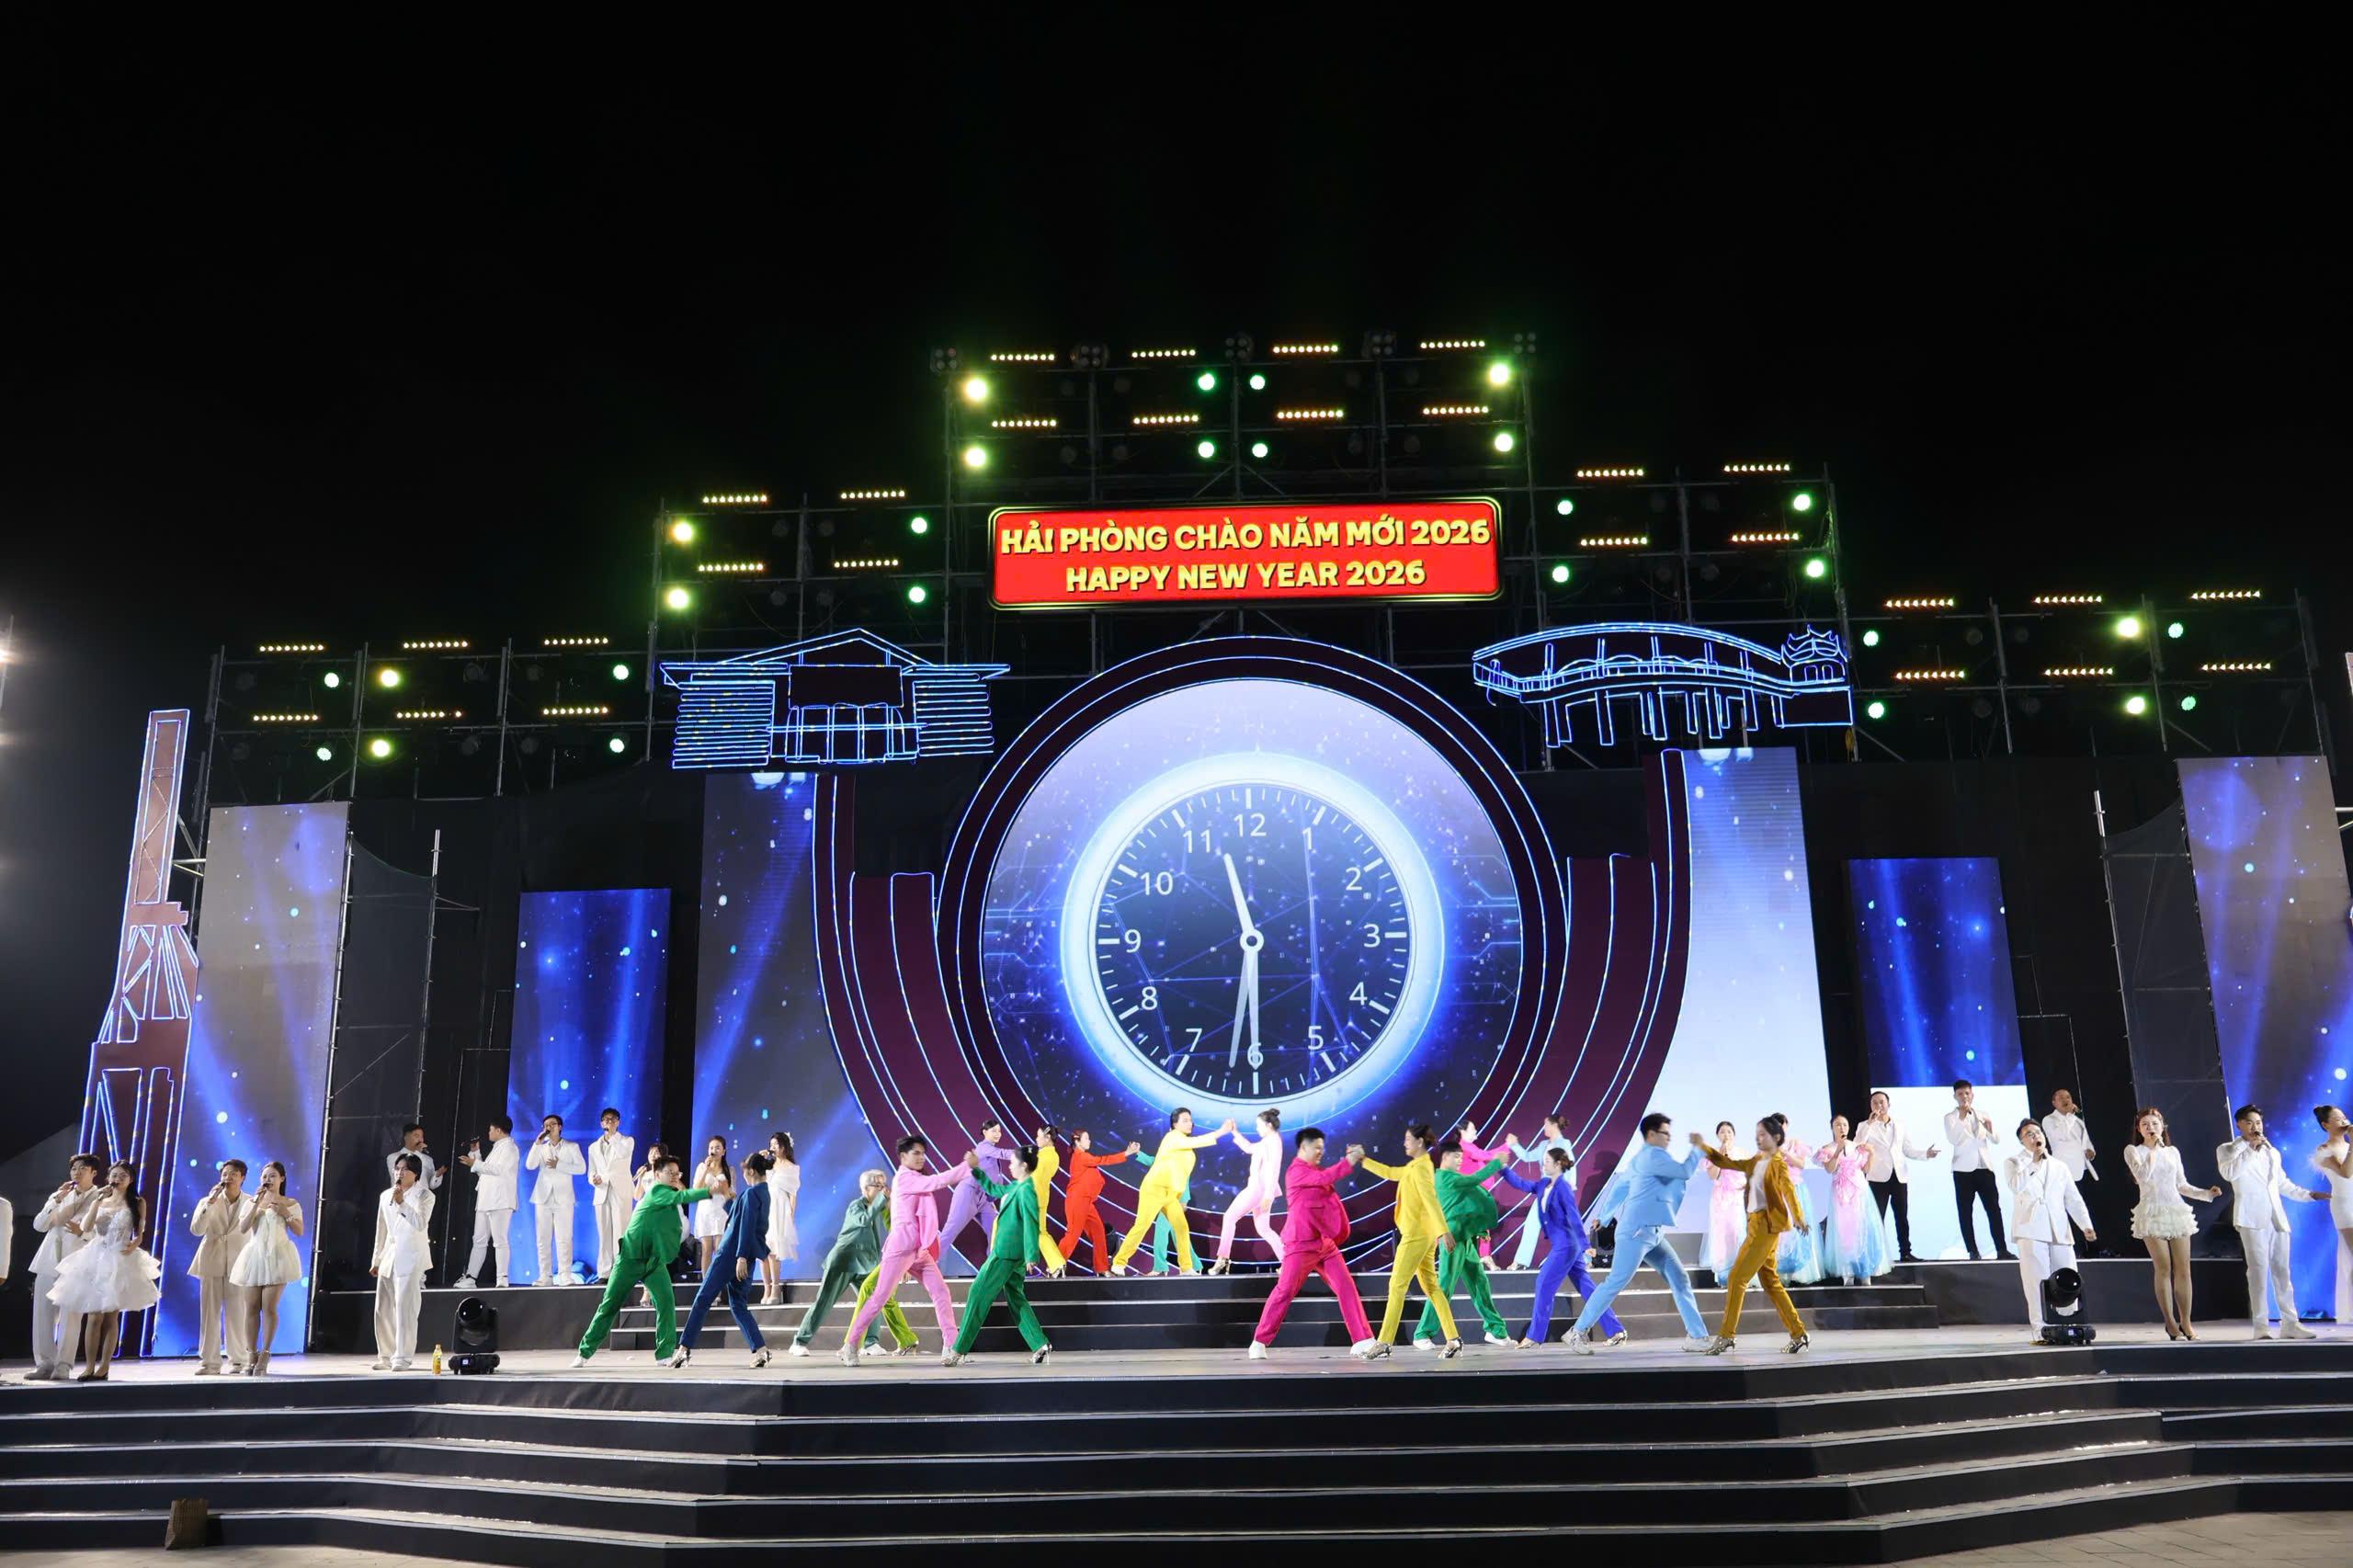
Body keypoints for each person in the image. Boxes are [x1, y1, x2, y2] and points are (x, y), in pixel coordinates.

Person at [1567, 1113, 1711, 1355]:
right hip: (1636, 1232)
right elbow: (1684, 1171)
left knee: (1679, 1279)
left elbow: (1621, 1187)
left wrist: (1604, 1217)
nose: (1669, 1138)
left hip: (1653, 1233)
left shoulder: (1638, 1160)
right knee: (1616, 1281)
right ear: (1651, 1134)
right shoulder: (1652, 1156)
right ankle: (1577, 1331)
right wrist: (1697, 1148)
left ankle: (1697, 1336)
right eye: (1665, 1133)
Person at [574, 1154, 727, 1367]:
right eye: (670, 1172)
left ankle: (664, 1354)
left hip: (654, 1261)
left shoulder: (671, 1199)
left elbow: (676, 1224)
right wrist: (708, 1191)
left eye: (677, 1173)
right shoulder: (657, 1191)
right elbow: (682, 1196)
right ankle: (584, 1352)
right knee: (610, 1305)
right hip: (630, 1258)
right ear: (657, 1175)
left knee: (666, 1304)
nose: (674, 1176)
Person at [839, 1135, 973, 1364]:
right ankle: (850, 1345)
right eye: (916, 1153)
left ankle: (951, 1346)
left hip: (919, 1251)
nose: (921, 1157)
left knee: (941, 1292)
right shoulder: (904, 1178)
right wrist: (966, 1166)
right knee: (879, 1297)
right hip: (901, 1248)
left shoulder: (916, 1178)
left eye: (923, 1153)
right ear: (903, 1157)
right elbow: (938, 1181)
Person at [1249, 1126, 1374, 1358]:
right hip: (1300, 1244)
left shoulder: (1315, 1170)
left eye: (1322, 1148)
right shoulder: (1296, 1172)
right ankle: (1259, 1341)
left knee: (1346, 1287)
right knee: (1285, 1291)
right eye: (1316, 1147)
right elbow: (1326, 1177)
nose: (1320, 1152)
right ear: (1303, 1147)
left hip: (1324, 1243)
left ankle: (1363, 1339)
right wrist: (1349, 1161)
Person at [1699, 1114, 1812, 1356]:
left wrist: (1799, 1217)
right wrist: (1705, 1147)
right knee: (1771, 1282)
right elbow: (1729, 1164)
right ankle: (1799, 1333)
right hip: (1755, 1224)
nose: (1758, 1139)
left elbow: (1788, 1191)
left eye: (1763, 1135)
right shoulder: (1756, 1160)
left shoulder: (1778, 1163)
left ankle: (1727, 1335)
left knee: (1736, 1278)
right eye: (1757, 1134)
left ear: (1776, 1137)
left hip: (1766, 1227)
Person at [46, 1162, 161, 1381]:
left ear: (131, 1180)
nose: (117, 1179)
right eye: (114, 1175)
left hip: (120, 1258)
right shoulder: (100, 1200)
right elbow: (86, 1227)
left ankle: (104, 1367)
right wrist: (97, 1202)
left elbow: (140, 1233)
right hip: (96, 1257)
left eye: (123, 1176)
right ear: (108, 1178)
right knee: (93, 1317)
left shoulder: (138, 1202)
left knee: (110, 1317)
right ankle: (89, 1366)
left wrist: (136, 1243)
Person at [1356, 1122, 1462, 1358]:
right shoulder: (1416, 1166)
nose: (1404, 1143)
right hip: (1423, 1234)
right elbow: (1391, 1173)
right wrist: (1364, 1160)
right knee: (1432, 1287)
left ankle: (1384, 1341)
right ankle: (1453, 1338)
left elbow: (1430, 1200)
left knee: (1397, 1286)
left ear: (1419, 1142)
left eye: (1408, 1139)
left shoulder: (1422, 1168)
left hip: (1416, 1235)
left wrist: (1444, 1231)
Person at [942, 1144, 1055, 1367]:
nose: (1010, 1166)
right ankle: (1040, 1344)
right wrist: (976, 1169)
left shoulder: (1027, 1191)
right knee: (1016, 1297)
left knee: (978, 1294)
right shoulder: (1017, 1186)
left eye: (1013, 1162)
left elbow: (1032, 1223)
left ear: (1024, 1165)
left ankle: (958, 1350)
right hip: (1012, 1254)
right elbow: (993, 1190)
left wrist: (1032, 1254)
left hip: (1006, 1253)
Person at [2216, 1104, 2322, 1339]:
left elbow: (2281, 1183)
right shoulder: (2228, 1149)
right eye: (2250, 1122)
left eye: (2258, 1122)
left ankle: (2290, 1323)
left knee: (2282, 1271)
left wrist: (2308, 1195)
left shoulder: (2271, 1151)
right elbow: (2230, 1174)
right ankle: (2261, 1326)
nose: (2256, 1127)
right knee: (2258, 1272)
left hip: (2277, 1217)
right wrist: (2250, 1150)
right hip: (2251, 1217)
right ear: (2239, 1125)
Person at [790, 1169, 915, 1357]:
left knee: (873, 1300)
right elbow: (864, 1220)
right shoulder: (856, 1206)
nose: (883, 1190)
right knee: (824, 1301)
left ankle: (871, 1342)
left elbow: (894, 1228)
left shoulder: (879, 1206)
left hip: (865, 1263)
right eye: (878, 1186)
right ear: (866, 1189)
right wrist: (882, 1201)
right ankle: (799, 1341)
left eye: (884, 1185)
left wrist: (890, 1208)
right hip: (843, 1261)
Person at [1505, 1143, 1620, 1346]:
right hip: (1564, 1244)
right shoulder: (1543, 1184)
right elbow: (1521, 1183)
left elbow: (1574, 1217)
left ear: (1558, 1164)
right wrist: (1502, 1168)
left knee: (1543, 1283)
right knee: (1586, 1287)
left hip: (1566, 1246)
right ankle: (1616, 1330)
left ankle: (1534, 1336)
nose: (1543, 1165)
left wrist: (1585, 1245)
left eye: (1547, 1161)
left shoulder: (1563, 1188)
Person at [2124, 1107, 2222, 1339]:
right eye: (2145, 1125)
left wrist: (2206, 1194)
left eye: (2154, 1124)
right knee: (2164, 1268)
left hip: (2176, 1210)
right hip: (2152, 1211)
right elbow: (2142, 1176)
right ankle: (2170, 1322)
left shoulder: (2172, 1152)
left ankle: (2186, 1322)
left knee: (2183, 1269)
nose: (2150, 1128)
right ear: (2139, 1129)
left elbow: (2181, 1185)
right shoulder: (2133, 1150)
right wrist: (2153, 1151)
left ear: (2162, 1126)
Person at [673, 1151, 774, 1369]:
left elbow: (746, 1225)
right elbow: (740, 1216)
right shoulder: (763, 1192)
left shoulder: (751, 1194)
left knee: (703, 1298)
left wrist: (740, 1257)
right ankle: (761, 1350)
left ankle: (683, 1349)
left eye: (745, 1171)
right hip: (745, 1255)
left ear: (751, 1172)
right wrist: (726, 1196)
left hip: (731, 1254)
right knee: (738, 1305)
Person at [1411, 1140, 1513, 1347]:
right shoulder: (1443, 1177)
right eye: (1456, 1156)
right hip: (1452, 1240)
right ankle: (1422, 1334)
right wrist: (1496, 1162)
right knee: (1444, 1287)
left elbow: (1464, 1206)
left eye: (1461, 1156)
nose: (1460, 1160)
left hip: (1466, 1239)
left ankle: (1496, 1330)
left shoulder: (1454, 1178)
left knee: (1479, 1284)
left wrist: (1479, 1229)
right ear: (1445, 1157)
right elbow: (1475, 1180)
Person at [1111, 1109, 1236, 1277]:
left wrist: (1182, 1196)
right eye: (1185, 1120)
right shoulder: (1172, 1137)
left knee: (1181, 1228)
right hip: (1155, 1189)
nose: (1189, 1123)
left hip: (1171, 1195)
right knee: (1141, 1226)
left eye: (1190, 1120)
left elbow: (1183, 1175)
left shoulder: (1186, 1148)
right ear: (1175, 1124)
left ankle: (1186, 1267)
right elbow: (1197, 1141)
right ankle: (1119, 1263)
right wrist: (1221, 1131)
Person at [2006, 1120, 2096, 1339]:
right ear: (2021, 1141)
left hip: (2059, 1228)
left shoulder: (2059, 1166)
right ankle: (2041, 1329)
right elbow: (2016, 1186)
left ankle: (2070, 1324)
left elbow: (2073, 1198)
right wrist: (2033, 1163)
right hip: (2030, 1228)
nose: (2035, 1136)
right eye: (2029, 1134)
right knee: (2036, 1280)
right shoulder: (2014, 1162)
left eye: (2038, 1132)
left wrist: (2085, 1225)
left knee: (2067, 1276)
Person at [26, 1153, 105, 1380]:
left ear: (93, 1173)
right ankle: (45, 1363)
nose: (76, 1173)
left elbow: (105, 1232)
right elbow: (39, 1225)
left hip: (77, 1262)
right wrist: (55, 1200)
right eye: (74, 1169)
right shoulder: (60, 1194)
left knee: (71, 1316)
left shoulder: (100, 1197)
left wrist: (84, 1233)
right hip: (49, 1259)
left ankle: (63, 1365)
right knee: (42, 1313)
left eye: (82, 1169)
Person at [230, 1161, 306, 1374]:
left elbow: (299, 1230)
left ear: (282, 1178)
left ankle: (265, 1353)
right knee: (251, 1307)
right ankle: (251, 1354)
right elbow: (243, 1228)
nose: (267, 1180)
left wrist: (285, 1213)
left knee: (269, 1307)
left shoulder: (290, 1203)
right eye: (264, 1176)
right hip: (255, 1256)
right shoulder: (251, 1202)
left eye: (272, 1176)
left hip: (278, 1256)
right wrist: (256, 1203)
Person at [186, 1157, 256, 1376]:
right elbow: (196, 1230)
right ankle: (210, 1363)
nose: (228, 1178)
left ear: (242, 1177)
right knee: (210, 1314)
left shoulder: (251, 1202)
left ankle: (239, 1361)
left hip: (239, 1263)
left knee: (237, 1313)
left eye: (233, 1174)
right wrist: (209, 1204)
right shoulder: (207, 1201)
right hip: (211, 1260)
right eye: (225, 1174)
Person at [1856, 1091, 1938, 1264]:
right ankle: (1877, 1256)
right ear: (1871, 1106)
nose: (1879, 1105)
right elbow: (1858, 1144)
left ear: (1888, 1104)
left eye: (1882, 1102)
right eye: (1874, 1103)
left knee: (1902, 1216)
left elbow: (1907, 1149)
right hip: (1877, 1177)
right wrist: (1869, 1124)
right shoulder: (1865, 1125)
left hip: (1899, 1176)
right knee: (1877, 1218)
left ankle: (1905, 1253)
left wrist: (1925, 1154)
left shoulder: (1900, 1124)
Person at [369, 1153, 434, 1369]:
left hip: (411, 1256)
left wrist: (402, 1203)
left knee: (405, 1308)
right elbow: (381, 1229)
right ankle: (385, 1356)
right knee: (383, 1308)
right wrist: (376, 1259)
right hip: (389, 1255)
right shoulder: (385, 1195)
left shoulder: (425, 1195)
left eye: (405, 1169)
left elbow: (420, 1223)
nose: (399, 1173)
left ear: (415, 1174)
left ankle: (403, 1357)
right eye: (397, 1168)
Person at [1944, 1080, 2012, 1261]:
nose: (1964, 1097)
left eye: (1967, 1093)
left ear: (1972, 1095)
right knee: (1966, 1212)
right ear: (1955, 1097)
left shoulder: (1982, 1114)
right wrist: (1962, 1117)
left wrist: (1990, 1129)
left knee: (1994, 1210)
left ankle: (2002, 1250)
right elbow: (1954, 1139)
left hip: (1984, 1168)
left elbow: (1996, 1139)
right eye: (1960, 1094)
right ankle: (1972, 1251)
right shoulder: (1950, 1117)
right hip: (1963, 1171)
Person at [1211, 1108, 1285, 1273]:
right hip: (1261, 1190)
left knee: (1229, 1217)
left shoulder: (1273, 1142)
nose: (1257, 1129)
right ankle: (1288, 1262)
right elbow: (1249, 1148)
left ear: (1268, 1125)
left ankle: (1223, 1259)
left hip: (1258, 1190)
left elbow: (1273, 1170)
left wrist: (1268, 1196)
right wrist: (1235, 1132)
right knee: (1264, 1229)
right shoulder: (1269, 1141)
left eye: (1258, 1125)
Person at [1818, 1117, 1890, 1286]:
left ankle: (1865, 1271)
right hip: (1841, 1195)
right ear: (1832, 1128)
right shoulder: (1827, 1149)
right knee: (1844, 1232)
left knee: (1862, 1230)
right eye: (1837, 1125)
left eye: (1844, 1124)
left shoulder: (1857, 1147)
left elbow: (1865, 1169)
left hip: (1860, 1192)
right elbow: (1829, 1169)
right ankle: (1847, 1272)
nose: (1841, 1127)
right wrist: (1838, 1151)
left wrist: (1871, 1154)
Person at [1057, 1131, 1141, 1273]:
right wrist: (1126, 1153)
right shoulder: (1081, 1156)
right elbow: (1104, 1160)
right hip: (1077, 1202)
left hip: (1087, 1203)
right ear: (1077, 1142)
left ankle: (1102, 1268)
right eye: (1086, 1138)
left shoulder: (1083, 1157)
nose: (1089, 1141)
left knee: (1098, 1233)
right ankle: (1055, 1265)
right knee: (1072, 1235)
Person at [1504, 1113, 1578, 1272]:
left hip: (1558, 1192)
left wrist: (1568, 1189)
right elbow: (1527, 1157)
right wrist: (1515, 1145)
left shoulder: (1564, 1143)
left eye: (1546, 1124)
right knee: (1532, 1223)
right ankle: (1521, 1261)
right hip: (1544, 1190)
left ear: (1554, 1125)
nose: (1544, 1127)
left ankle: (1582, 1259)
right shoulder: (1543, 1145)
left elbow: (1570, 1167)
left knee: (1565, 1228)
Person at [455, 1115, 519, 1288]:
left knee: (499, 1240)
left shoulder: (510, 1148)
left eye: (491, 1129)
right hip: (485, 1200)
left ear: (499, 1130)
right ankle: (470, 1278)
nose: (488, 1132)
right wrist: (475, 1154)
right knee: (479, 1240)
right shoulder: (497, 1148)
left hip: (500, 1200)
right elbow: (485, 1172)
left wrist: (474, 1162)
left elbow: (498, 1170)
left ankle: (502, 1278)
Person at [939, 1119, 1014, 1262]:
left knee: (996, 1230)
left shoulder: (992, 1153)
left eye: (999, 1131)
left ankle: (993, 1266)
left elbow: (995, 1180)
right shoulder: (983, 1147)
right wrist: (1024, 1154)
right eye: (994, 1131)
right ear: (985, 1132)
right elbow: (1004, 1153)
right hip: (968, 1193)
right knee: (951, 1231)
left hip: (984, 1199)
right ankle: (926, 1263)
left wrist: (993, 1198)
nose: (998, 1134)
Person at [525, 1113, 585, 1286]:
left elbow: (582, 1168)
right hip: (542, 1197)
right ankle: (545, 1276)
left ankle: (565, 1275)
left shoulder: (571, 1146)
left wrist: (559, 1165)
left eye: (552, 1124)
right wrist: (537, 1144)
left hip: (563, 1198)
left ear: (560, 1127)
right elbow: (530, 1165)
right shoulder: (541, 1147)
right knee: (542, 1239)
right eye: (546, 1125)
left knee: (564, 1238)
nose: (549, 1127)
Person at [1129, 1142, 1199, 1275]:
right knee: (1178, 1235)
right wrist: (1138, 1152)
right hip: (1166, 1199)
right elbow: (1153, 1162)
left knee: (1162, 1232)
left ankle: (1160, 1267)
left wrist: (1184, 1201)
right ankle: (1195, 1265)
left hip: (1175, 1201)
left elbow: (1185, 1181)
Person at [2313, 1106, 2353, 1327]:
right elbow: (2346, 1173)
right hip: (2345, 1206)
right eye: (2338, 1119)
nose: (2344, 1121)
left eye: (2344, 1117)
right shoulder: (2324, 1150)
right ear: (2326, 1125)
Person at [585, 1108, 635, 1284]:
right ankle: (604, 1272)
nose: (609, 1122)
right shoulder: (593, 1147)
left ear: (618, 1122)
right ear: (601, 1123)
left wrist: (613, 1136)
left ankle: (621, 1270)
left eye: (613, 1120)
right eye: (606, 1120)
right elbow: (591, 1171)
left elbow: (623, 1154)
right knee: (604, 1233)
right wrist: (594, 1179)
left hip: (620, 1191)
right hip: (602, 1191)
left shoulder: (627, 1141)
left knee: (621, 1232)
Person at [1698, 1121, 1745, 1281]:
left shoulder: (1742, 1153)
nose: (1726, 1135)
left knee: (1738, 1232)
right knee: (1722, 1234)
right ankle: (1725, 1273)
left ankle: (1742, 1272)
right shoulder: (1713, 1154)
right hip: (1720, 1198)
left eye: (1729, 1132)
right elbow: (1713, 1176)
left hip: (1737, 1198)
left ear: (1734, 1135)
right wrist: (1719, 1157)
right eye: (1723, 1132)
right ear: (1717, 1135)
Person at [1023, 1126, 1069, 1276]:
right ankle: (1057, 1263)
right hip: (1042, 1197)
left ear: (1048, 1137)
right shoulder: (1054, 1156)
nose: (1036, 1139)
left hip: (1032, 1198)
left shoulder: (1042, 1156)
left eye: (1038, 1136)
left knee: (1034, 1232)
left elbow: (1034, 1179)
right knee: (1040, 1232)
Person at [762, 1131, 800, 1303]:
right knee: (763, 1252)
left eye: (776, 1144)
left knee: (773, 1251)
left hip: (779, 1210)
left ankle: (776, 1289)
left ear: (784, 1146)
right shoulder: (768, 1165)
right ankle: (766, 1289)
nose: (773, 1147)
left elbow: (793, 1194)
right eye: (771, 1145)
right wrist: (761, 1160)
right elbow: (754, 1179)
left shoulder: (791, 1168)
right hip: (765, 1208)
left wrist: (791, 1216)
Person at [691, 1136, 733, 1276]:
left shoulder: (729, 1170)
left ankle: (719, 1284)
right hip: (705, 1211)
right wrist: (706, 1170)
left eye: (717, 1148)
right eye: (711, 1148)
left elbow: (733, 1193)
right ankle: (706, 1284)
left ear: (724, 1151)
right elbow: (696, 1189)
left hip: (721, 1211)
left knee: (720, 1250)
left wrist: (722, 1190)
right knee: (706, 1250)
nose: (713, 1150)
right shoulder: (702, 1167)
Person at [387, 1123, 444, 1199]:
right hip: (403, 1200)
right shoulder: (393, 1157)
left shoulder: (428, 1159)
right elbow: (400, 1178)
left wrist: (437, 1175)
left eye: (422, 1137)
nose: (420, 1140)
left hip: (423, 1201)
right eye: (417, 1136)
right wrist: (417, 1152)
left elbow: (432, 1186)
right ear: (406, 1137)